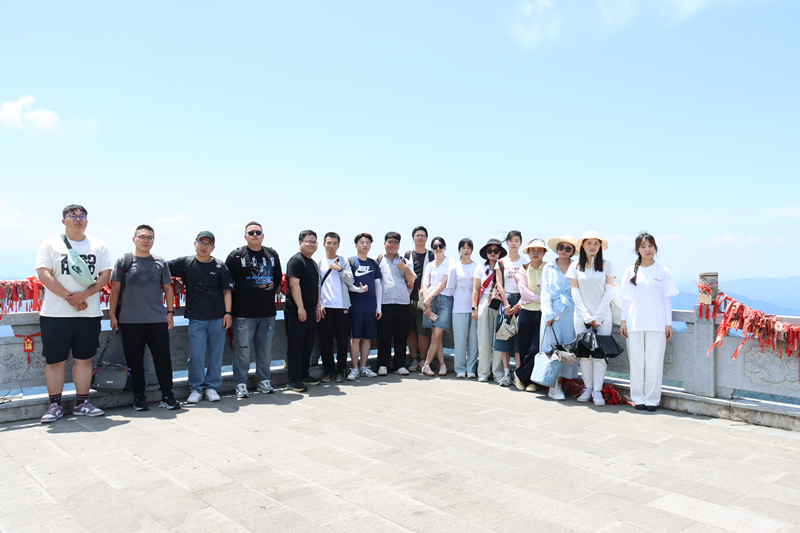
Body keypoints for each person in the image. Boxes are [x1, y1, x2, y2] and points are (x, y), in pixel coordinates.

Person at [35, 204, 112, 423]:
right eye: (73, 216)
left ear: (87, 220)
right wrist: (71, 298)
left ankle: (82, 403)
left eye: (82, 216)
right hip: (55, 314)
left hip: (88, 314)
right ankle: (54, 405)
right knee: (54, 361)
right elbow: (44, 273)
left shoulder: (98, 245)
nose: (78, 219)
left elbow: (105, 275)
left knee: (85, 360)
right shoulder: (50, 244)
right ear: (64, 221)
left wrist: (84, 295)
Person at [109, 225, 179, 411]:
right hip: (130, 320)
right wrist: (112, 315)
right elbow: (115, 289)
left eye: (149, 237)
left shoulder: (160, 262)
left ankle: (167, 395)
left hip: (157, 319)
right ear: (134, 239)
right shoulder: (124, 261)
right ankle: (139, 396)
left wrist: (170, 312)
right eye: (142, 237)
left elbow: (168, 288)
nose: (145, 240)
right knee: (135, 361)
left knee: (163, 359)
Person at [168, 231, 234, 404]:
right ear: (195, 243)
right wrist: (175, 282)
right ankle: (196, 388)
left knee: (216, 355)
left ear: (213, 247)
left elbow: (227, 291)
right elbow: (162, 268)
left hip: (218, 318)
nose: (204, 246)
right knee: (196, 356)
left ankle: (212, 387)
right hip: (196, 318)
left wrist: (228, 313)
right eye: (201, 242)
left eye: (208, 244)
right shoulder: (186, 263)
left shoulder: (219, 265)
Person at [620, 232, 679, 412]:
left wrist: (668, 323)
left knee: (654, 363)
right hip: (634, 322)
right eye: (643, 247)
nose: (647, 250)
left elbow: (666, 299)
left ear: (655, 247)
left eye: (650, 246)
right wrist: (623, 321)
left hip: (657, 323)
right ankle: (638, 398)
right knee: (636, 362)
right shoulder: (630, 271)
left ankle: (652, 399)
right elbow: (626, 299)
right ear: (637, 250)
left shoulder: (663, 271)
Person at [225, 222, 282, 399]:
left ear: (263, 235)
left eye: (258, 232)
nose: (255, 235)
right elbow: (227, 283)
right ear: (245, 236)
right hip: (243, 313)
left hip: (267, 312)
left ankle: (264, 380)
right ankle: (240, 384)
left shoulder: (272, 254)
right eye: (251, 233)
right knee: (242, 350)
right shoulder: (236, 255)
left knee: (265, 350)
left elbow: (277, 279)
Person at [567, 230, 616, 406]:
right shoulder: (575, 266)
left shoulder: (607, 265)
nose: (593, 246)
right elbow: (575, 291)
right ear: (582, 245)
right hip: (581, 316)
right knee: (584, 355)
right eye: (589, 243)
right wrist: (586, 315)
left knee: (600, 355)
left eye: (596, 243)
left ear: (600, 246)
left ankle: (597, 391)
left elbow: (609, 291)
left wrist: (598, 315)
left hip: (603, 316)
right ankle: (587, 388)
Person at [540, 235, 579, 400]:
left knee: (567, 349)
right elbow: (545, 291)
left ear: (573, 251)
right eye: (561, 247)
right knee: (552, 348)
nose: (564, 251)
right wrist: (548, 314)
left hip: (570, 312)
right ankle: (553, 385)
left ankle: (562, 383)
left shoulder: (577, 267)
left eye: (568, 248)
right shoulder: (548, 267)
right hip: (553, 312)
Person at [284, 230, 323, 392]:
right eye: (308, 241)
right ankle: (294, 379)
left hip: (311, 309)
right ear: (300, 243)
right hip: (296, 309)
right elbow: (294, 285)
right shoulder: (296, 261)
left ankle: (304, 374)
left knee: (308, 344)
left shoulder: (312, 262)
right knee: (296, 345)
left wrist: (317, 306)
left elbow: (317, 286)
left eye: (314, 242)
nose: (312, 244)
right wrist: (300, 307)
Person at [317, 232, 355, 383]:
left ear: (338, 245)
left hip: (342, 306)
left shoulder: (343, 261)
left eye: (334, 243)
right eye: (328, 243)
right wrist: (318, 304)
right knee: (325, 341)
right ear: (324, 244)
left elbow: (350, 280)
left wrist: (339, 269)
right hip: (325, 307)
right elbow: (316, 285)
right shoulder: (318, 262)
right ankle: (329, 371)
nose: (331, 246)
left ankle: (341, 370)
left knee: (342, 341)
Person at [377, 232, 415, 376]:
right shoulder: (378, 260)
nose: (392, 245)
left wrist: (405, 268)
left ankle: (399, 365)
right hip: (385, 302)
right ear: (384, 243)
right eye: (390, 242)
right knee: (384, 336)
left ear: (399, 245)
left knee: (401, 335)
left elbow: (412, 280)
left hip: (402, 302)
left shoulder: (405, 261)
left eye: (396, 242)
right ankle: (383, 364)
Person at [347, 233, 382, 381]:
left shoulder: (373, 263)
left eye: (368, 242)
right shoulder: (350, 262)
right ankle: (354, 368)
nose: (365, 245)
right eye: (362, 242)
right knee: (355, 338)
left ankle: (363, 367)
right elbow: (347, 284)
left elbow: (378, 286)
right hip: (355, 307)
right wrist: (358, 290)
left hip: (370, 308)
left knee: (368, 338)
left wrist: (379, 307)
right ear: (356, 245)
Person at [513, 239, 547, 391]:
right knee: (524, 347)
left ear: (544, 253)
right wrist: (543, 299)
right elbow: (524, 292)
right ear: (528, 252)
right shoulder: (523, 269)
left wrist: (539, 300)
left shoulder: (548, 268)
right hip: (526, 311)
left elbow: (550, 290)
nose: (536, 253)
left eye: (539, 250)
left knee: (536, 348)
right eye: (532, 250)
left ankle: (523, 376)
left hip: (543, 313)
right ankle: (528, 380)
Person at [493, 230, 525, 386]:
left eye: (517, 240)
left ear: (520, 243)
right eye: (511, 240)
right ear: (507, 243)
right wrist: (506, 305)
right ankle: (506, 374)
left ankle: (518, 373)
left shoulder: (525, 261)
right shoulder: (500, 262)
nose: (514, 243)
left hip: (522, 300)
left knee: (519, 340)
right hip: (505, 300)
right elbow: (499, 285)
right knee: (503, 337)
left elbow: (528, 285)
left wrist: (519, 304)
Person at [420, 237, 455, 377]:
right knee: (436, 336)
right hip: (430, 301)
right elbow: (424, 285)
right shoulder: (429, 265)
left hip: (444, 299)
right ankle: (442, 365)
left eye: (441, 245)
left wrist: (430, 297)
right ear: (432, 249)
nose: (438, 248)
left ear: (445, 247)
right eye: (435, 246)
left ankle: (426, 365)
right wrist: (427, 302)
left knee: (436, 335)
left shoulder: (451, 262)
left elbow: (444, 283)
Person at [472, 239, 505, 383]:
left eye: (496, 251)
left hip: (499, 301)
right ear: (485, 253)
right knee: (483, 338)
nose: (493, 253)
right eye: (489, 251)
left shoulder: (504, 267)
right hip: (484, 301)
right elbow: (475, 289)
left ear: (500, 252)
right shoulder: (480, 268)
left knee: (499, 338)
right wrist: (474, 308)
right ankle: (483, 372)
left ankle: (498, 373)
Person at [447, 238, 479, 378]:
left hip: (475, 309)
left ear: (472, 250)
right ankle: (460, 368)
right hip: (459, 309)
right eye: (463, 248)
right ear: (459, 249)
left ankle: (471, 369)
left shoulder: (478, 266)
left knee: (473, 341)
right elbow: (451, 289)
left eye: (469, 248)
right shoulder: (454, 268)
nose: (466, 250)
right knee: (459, 341)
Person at [405, 226, 434, 372]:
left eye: (423, 235)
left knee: (423, 333)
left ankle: (423, 359)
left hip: (425, 300)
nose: (420, 237)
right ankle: (413, 359)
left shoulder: (432, 255)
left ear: (426, 238)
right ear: (413, 238)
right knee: (410, 332)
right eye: (417, 235)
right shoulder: (407, 255)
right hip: (408, 298)